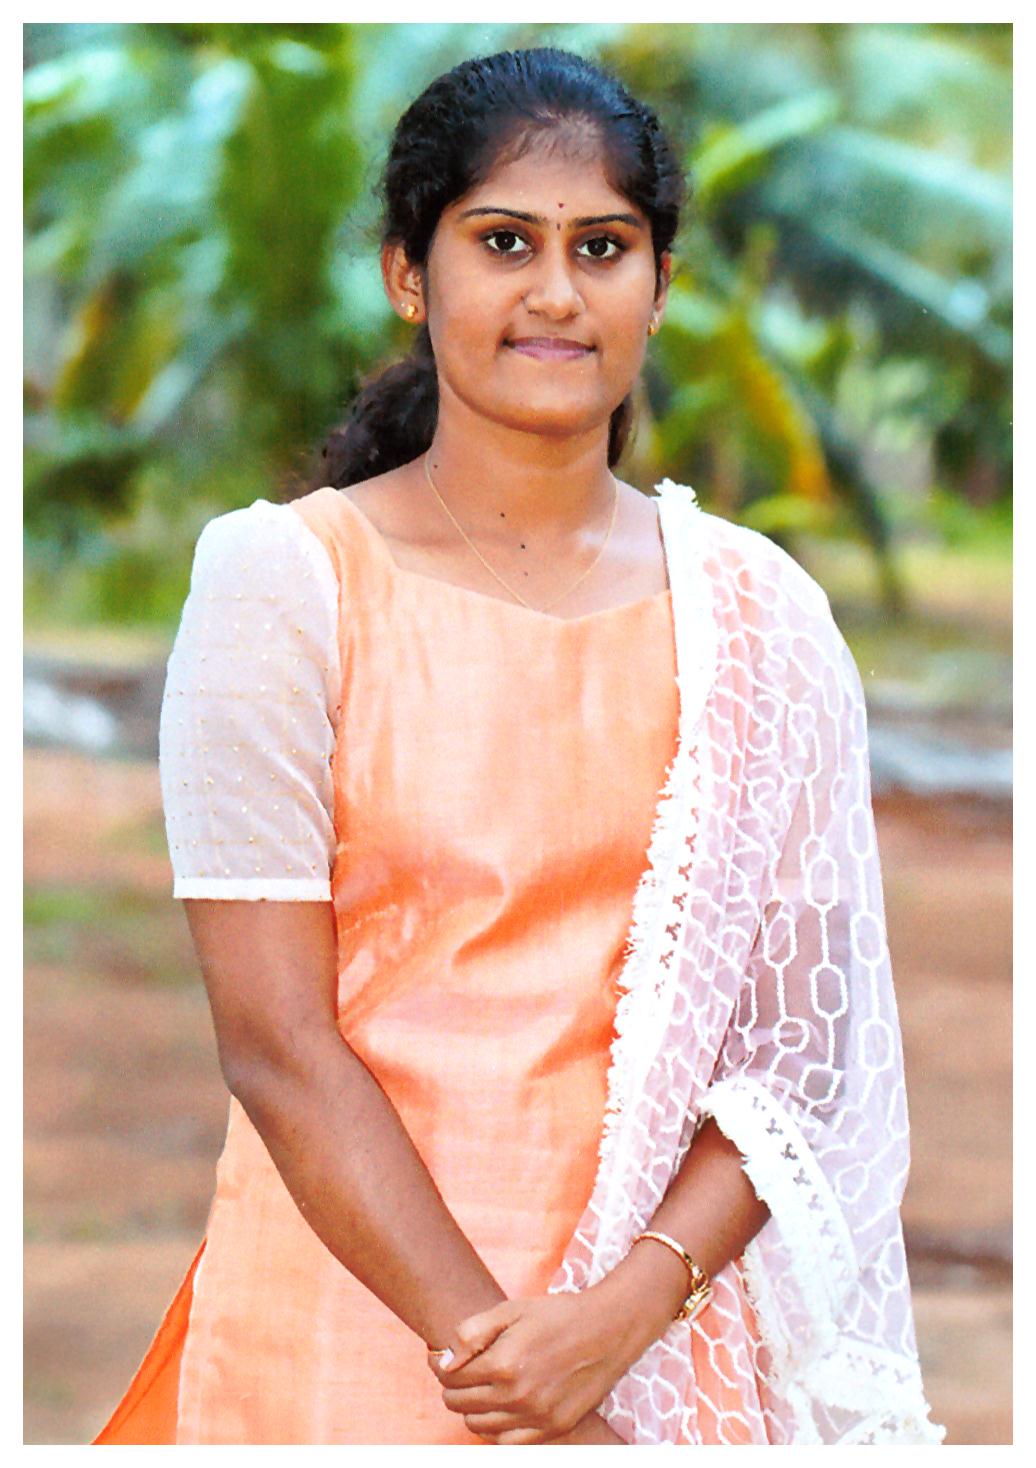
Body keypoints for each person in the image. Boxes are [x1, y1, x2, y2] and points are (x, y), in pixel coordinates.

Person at [94, 47, 942, 1446]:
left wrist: (620, 1320)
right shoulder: (284, 585)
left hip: (666, 1338)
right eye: (503, 242)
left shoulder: (758, 613)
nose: (556, 292)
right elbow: (278, 1044)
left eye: (602, 247)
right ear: (407, 276)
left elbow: (802, 1047)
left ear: (658, 287)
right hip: (359, 1327)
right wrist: (506, 1366)